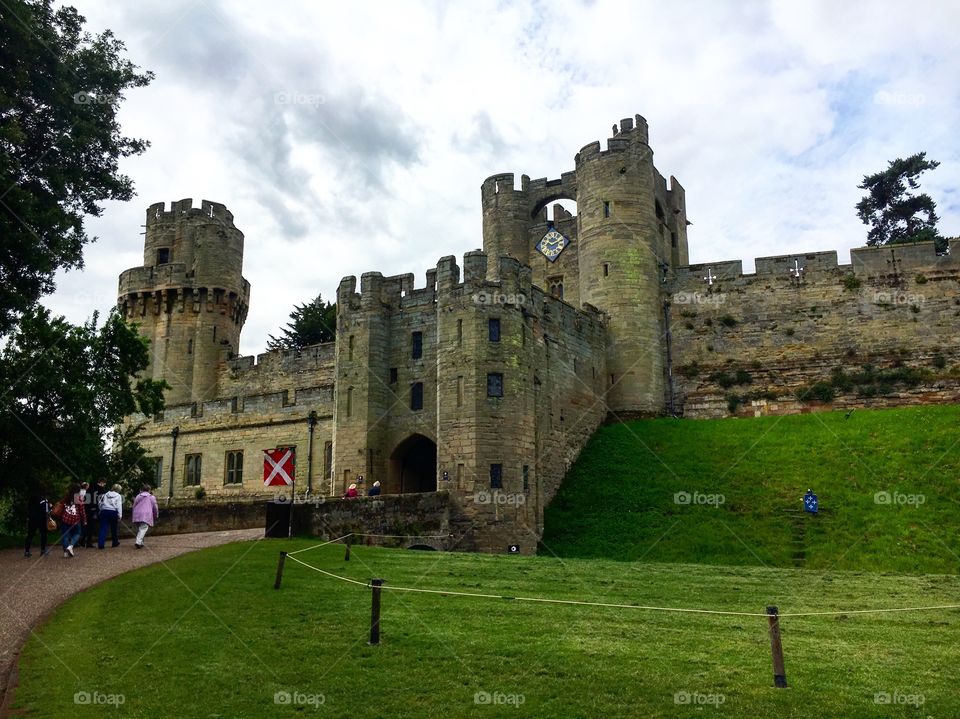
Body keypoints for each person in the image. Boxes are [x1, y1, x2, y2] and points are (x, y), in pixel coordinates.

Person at [59, 484, 87, 558]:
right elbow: (82, 511)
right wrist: (84, 520)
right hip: (75, 520)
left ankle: (65, 552)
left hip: (65, 518)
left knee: (65, 536)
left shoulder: (66, 497)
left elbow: (61, 506)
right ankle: (71, 546)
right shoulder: (79, 498)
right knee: (77, 533)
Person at [23, 487, 51, 557]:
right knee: (43, 534)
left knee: (30, 535)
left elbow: (28, 509)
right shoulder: (44, 500)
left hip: (32, 519)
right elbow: (47, 511)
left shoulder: (31, 499)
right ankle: (43, 550)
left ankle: (27, 551)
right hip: (42, 519)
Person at [83, 479, 107, 548]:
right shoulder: (100, 489)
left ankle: (85, 540)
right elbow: (101, 500)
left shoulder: (89, 489)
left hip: (87, 509)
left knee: (88, 525)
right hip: (93, 509)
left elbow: (86, 499)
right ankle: (88, 541)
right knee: (91, 526)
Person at [98, 484, 123, 548]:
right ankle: (115, 542)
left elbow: (100, 503)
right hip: (113, 512)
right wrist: (120, 515)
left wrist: (101, 509)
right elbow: (119, 506)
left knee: (103, 528)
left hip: (104, 512)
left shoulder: (105, 494)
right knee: (114, 528)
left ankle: (101, 544)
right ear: (118, 490)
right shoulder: (118, 496)